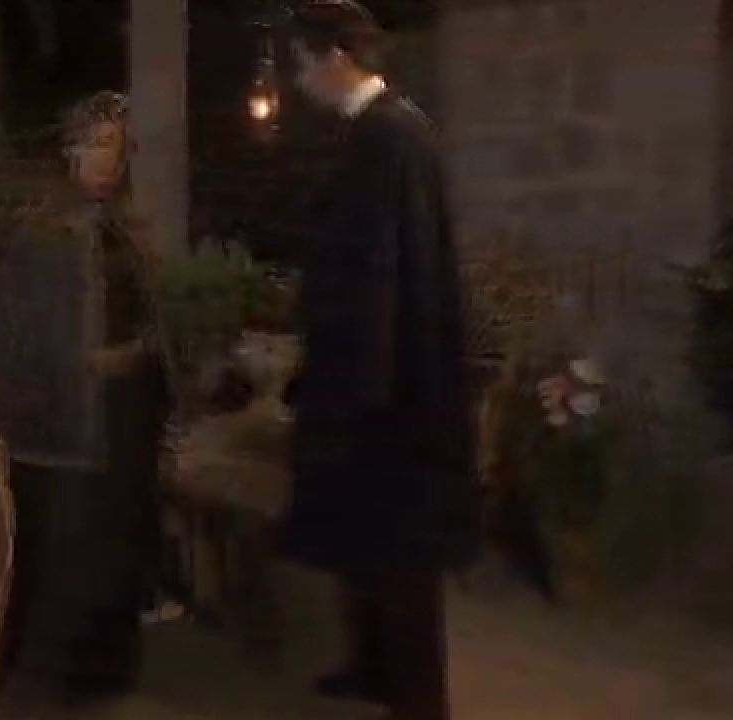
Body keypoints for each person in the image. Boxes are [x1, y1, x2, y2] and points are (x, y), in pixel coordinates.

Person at [276, 2, 481, 719]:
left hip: (390, 393)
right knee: (364, 545)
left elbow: (385, 276)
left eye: (303, 63)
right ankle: (371, 668)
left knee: (400, 558)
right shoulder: (376, 133)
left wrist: (361, 395)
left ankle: (416, 698)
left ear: (336, 57)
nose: (300, 80)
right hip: (374, 379)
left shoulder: (389, 136)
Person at [0, 91, 170, 702]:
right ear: (71, 151)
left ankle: (103, 675)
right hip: (63, 416)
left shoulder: (124, 229)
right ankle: (37, 682)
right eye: (97, 144)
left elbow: (150, 314)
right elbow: (15, 329)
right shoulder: (41, 233)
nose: (108, 159)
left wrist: (141, 350)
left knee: (114, 544)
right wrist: (75, 363)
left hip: (125, 411)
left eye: (116, 146)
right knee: (60, 549)